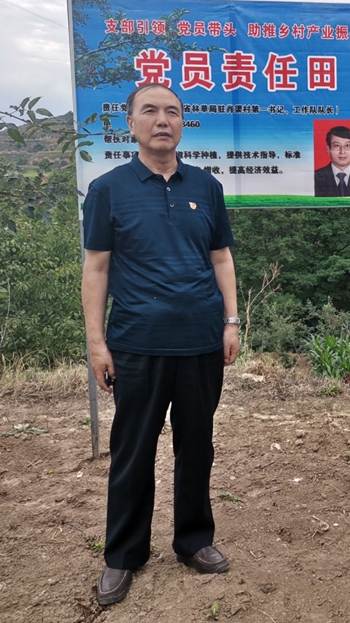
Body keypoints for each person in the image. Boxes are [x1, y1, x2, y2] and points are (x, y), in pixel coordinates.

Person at [81, 83, 241, 607]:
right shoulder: (108, 189)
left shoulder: (206, 186)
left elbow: (221, 258)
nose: (162, 120)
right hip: (136, 343)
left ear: (183, 123)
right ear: (130, 124)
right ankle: (124, 554)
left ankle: (194, 541)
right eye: (149, 110)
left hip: (200, 341)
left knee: (197, 446)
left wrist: (231, 322)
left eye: (172, 111)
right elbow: (96, 269)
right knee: (133, 451)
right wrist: (97, 343)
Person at [314, 125, 350, 197]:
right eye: (336, 146)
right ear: (328, 149)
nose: (342, 151)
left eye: (347, 146)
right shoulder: (315, 177)